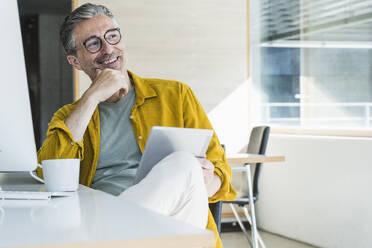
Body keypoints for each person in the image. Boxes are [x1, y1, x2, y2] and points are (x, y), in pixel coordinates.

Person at [37, 3, 236, 247]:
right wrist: (91, 98)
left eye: (112, 36)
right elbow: (47, 179)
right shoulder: (68, 118)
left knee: (184, 163)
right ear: (75, 62)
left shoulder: (177, 95)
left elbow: (221, 177)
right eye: (93, 43)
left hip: (175, 220)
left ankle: (118, 235)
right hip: (108, 222)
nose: (108, 49)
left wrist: (203, 178)